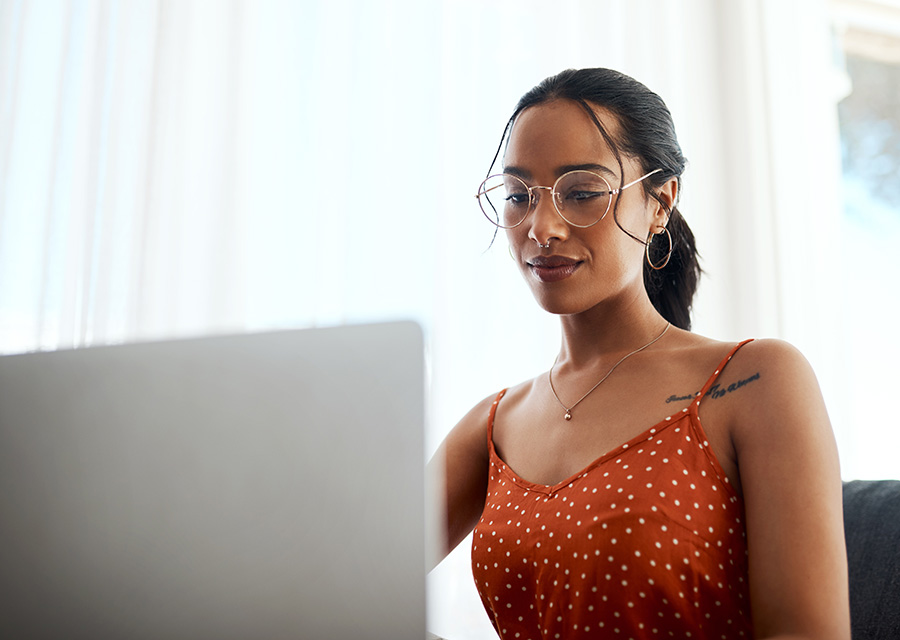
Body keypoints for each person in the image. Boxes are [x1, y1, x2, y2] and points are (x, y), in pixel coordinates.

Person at [430, 68, 850, 640]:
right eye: (518, 196)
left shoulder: (756, 381)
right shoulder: (492, 425)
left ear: (660, 202)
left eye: (581, 193)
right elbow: (337, 582)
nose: (541, 227)